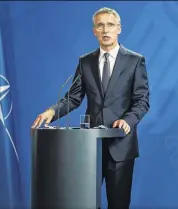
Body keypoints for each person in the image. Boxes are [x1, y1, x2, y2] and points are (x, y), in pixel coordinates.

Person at [31, 7, 150, 209]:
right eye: (100, 25)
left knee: (118, 204)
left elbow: (142, 100)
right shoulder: (85, 62)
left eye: (110, 25)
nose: (105, 30)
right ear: (94, 31)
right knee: (85, 203)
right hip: (88, 148)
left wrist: (128, 121)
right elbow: (73, 98)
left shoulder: (135, 61)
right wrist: (52, 111)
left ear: (119, 29)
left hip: (120, 146)